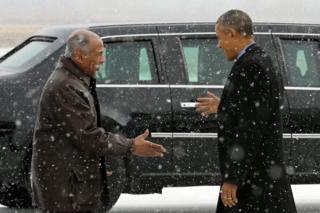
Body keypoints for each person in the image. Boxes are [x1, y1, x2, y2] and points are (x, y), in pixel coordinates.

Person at [31, 29, 166, 213]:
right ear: (79, 55)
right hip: (65, 187)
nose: (103, 60)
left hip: (71, 182)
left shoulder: (75, 79)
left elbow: (79, 140)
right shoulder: (65, 86)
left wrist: (93, 168)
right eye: (99, 54)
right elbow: (88, 137)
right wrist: (130, 145)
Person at [196, 10, 297, 213]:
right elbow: (252, 112)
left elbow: (250, 128)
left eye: (219, 37)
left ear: (232, 33)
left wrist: (233, 178)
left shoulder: (251, 66)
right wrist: (225, 105)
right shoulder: (261, 60)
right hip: (262, 177)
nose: (219, 44)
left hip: (255, 180)